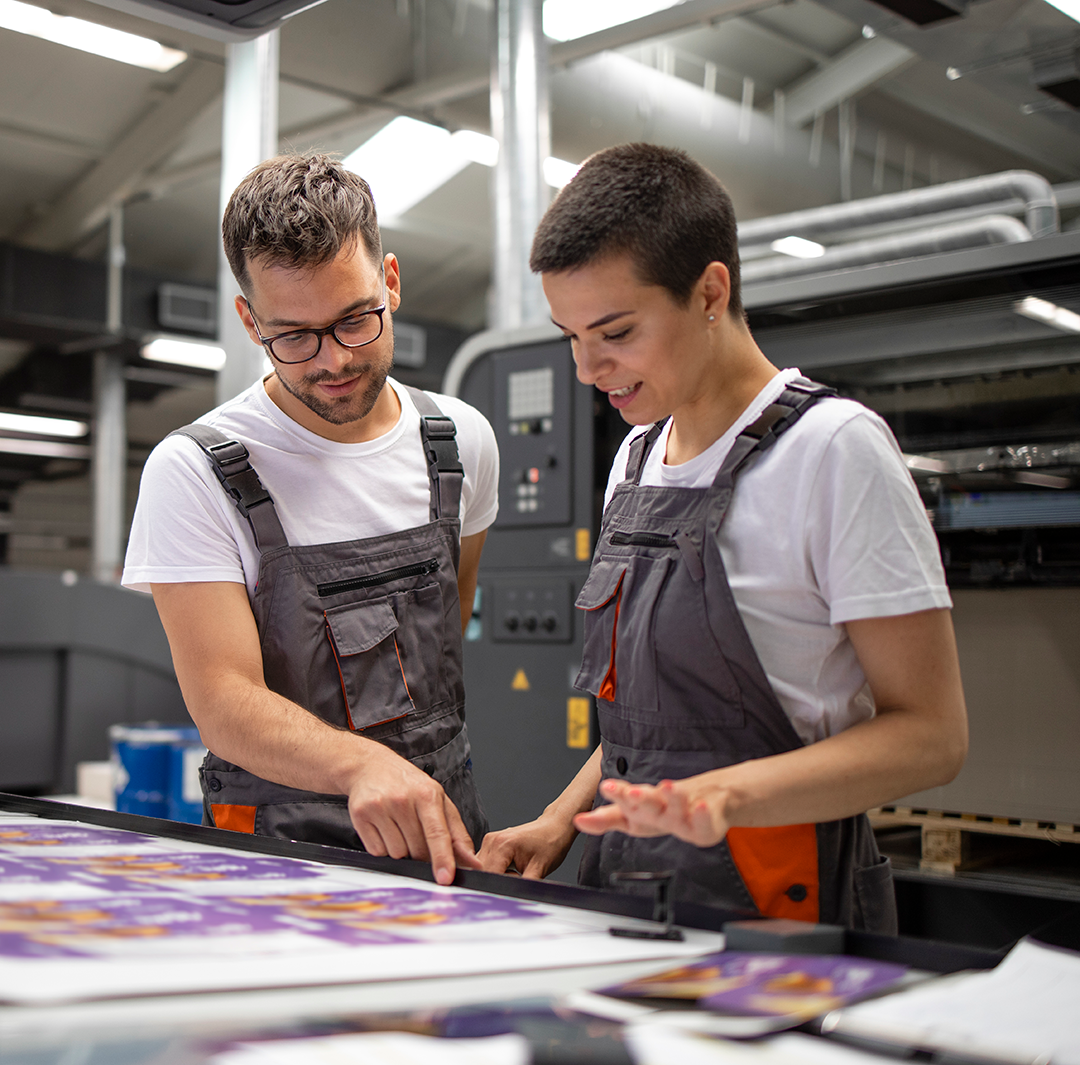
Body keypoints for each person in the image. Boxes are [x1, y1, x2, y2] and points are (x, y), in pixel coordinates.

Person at [477, 143, 968, 930]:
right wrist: (561, 817)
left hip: (781, 909)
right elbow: (657, 730)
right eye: (570, 335)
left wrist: (732, 797)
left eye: (615, 331)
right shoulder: (633, 464)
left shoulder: (833, 450)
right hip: (628, 898)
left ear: (710, 291)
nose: (586, 368)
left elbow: (932, 737)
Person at [123, 153, 498, 886]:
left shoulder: (457, 442)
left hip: (444, 833)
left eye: (355, 319)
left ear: (389, 281)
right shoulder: (195, 469)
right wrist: (362, 764)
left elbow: (448, 632)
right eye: (293, 336)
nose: (332, 361)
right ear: (249, 319)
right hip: (276, 850)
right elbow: (224, 703)